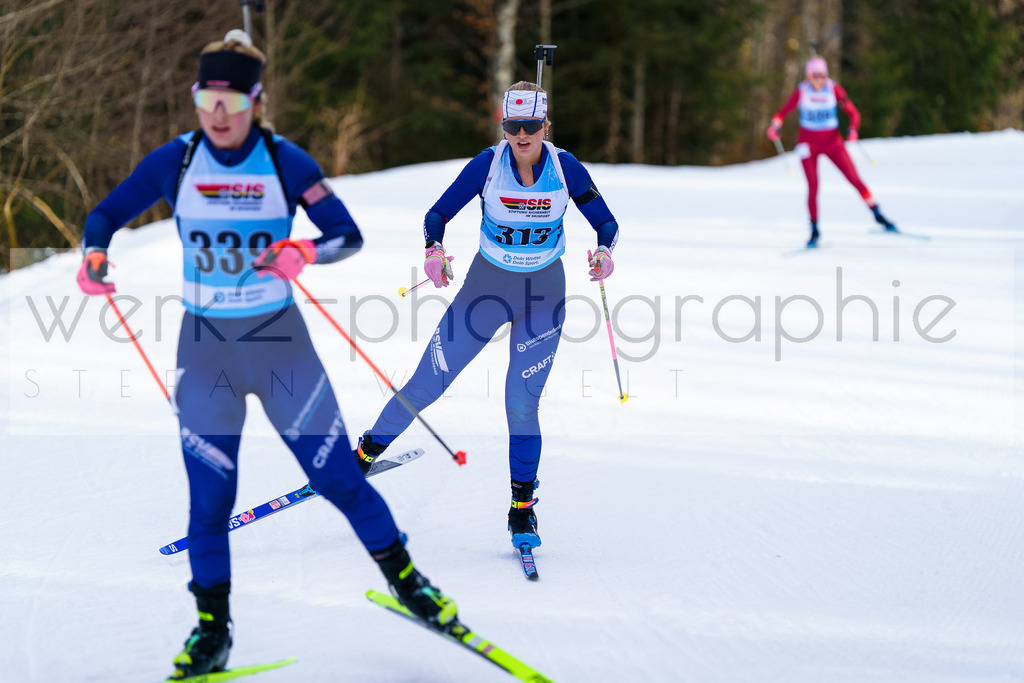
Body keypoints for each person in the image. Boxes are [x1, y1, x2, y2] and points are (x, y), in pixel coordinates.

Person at [76, 30, 456, 679]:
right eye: (206, 98)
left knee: (338, 476)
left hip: (281, 347)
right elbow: (107, 214)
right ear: (196, 99)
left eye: (230, 99)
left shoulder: (285, 161)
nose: (217, 112)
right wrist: (94, 254)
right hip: (206, 352)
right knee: (208, 500)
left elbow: (345, 235)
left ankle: (409, 583)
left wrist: (303, 251)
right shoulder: (177, 160)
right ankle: (210, 631)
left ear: (255, 101)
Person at [354, 81, 619, 552]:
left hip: (543, 296)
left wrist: (603, 252)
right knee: (427, 384)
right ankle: (363, 457)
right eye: (512, 126)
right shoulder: (487, 165)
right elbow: (437, 213)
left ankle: (522, 510)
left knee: (520, 403)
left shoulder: (565, 167)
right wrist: (434, 250)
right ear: (503, 126)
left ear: (545, 126)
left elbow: (607, 222)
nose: (521, 135)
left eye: (531, 126)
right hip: (485, 289)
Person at [767, 56, 897, 247]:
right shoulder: (802, 91)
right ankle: (814, 229)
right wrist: (775, 126)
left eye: (823, 75)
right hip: (808, 144)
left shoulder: (832, 88)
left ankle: (878, 214)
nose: (819, 79)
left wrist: (853, 129)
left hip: (832, 142)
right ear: (808, 76)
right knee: (813, 186)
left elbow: (853, 113)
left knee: (854, 178)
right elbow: (782, 113)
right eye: (815, 75)